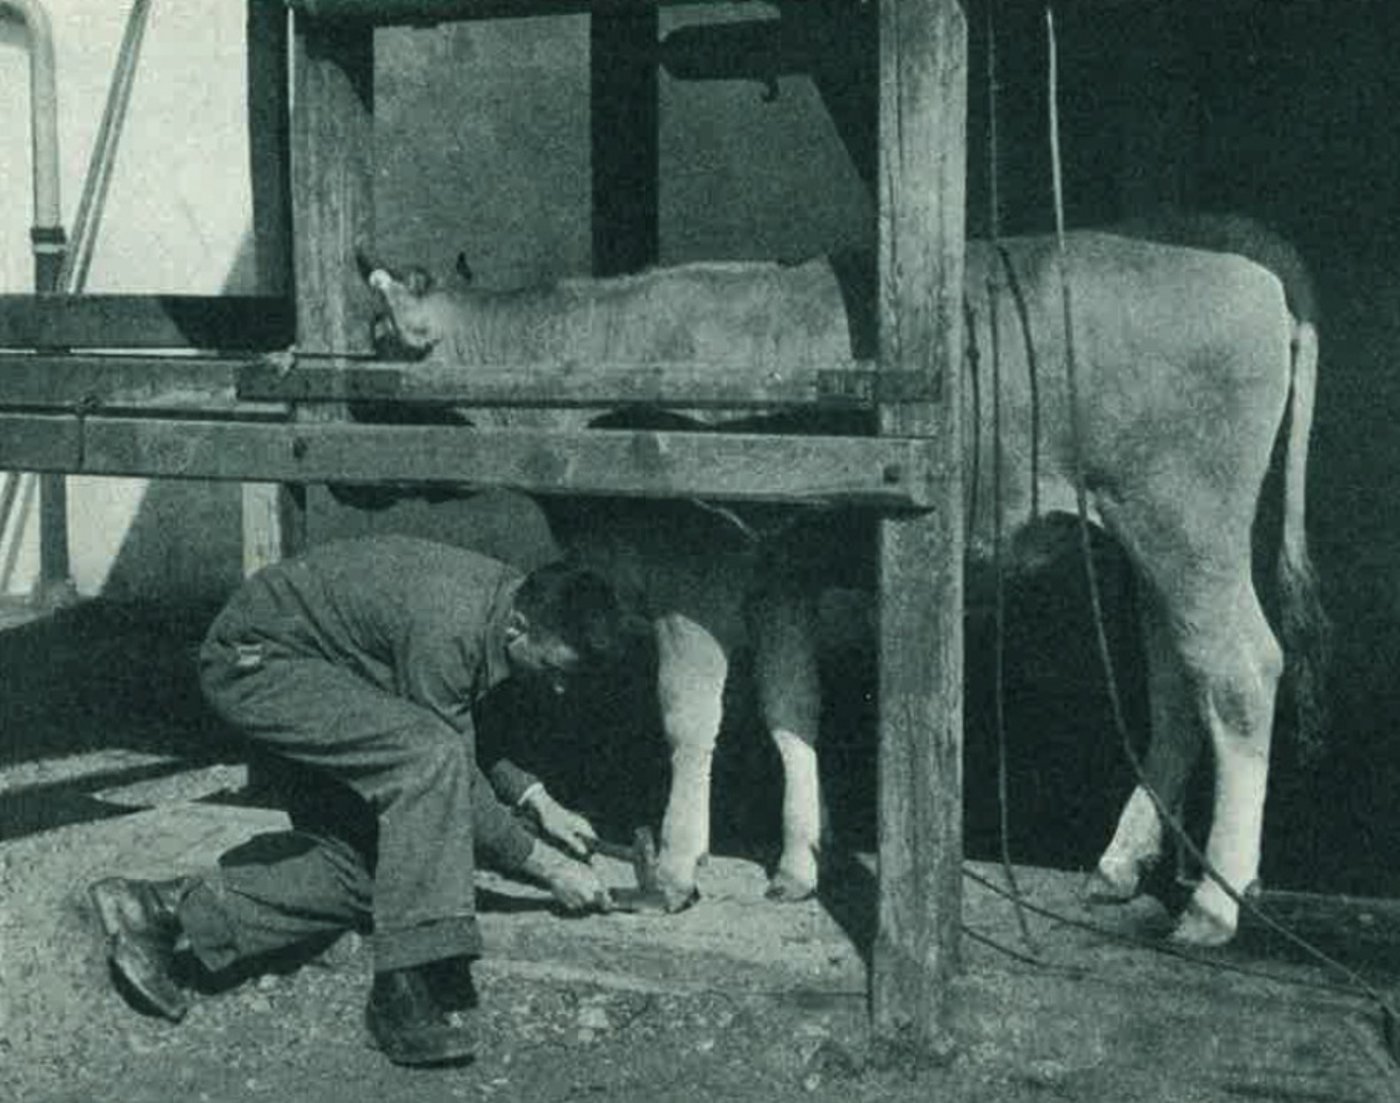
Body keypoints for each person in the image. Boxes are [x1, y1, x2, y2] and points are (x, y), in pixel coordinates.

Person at [87, 534, 641, 1067]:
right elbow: (445, 764)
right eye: (556, 671)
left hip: (334, 674)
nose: (561, 689)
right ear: (519, 629)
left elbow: (458, 728)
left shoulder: (504, 611)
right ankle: (402, 989)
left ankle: (162, 912)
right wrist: (548, 866)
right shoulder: (450, 622)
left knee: (384, 872)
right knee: (428, 764)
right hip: (259, 661)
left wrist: (536, 797)